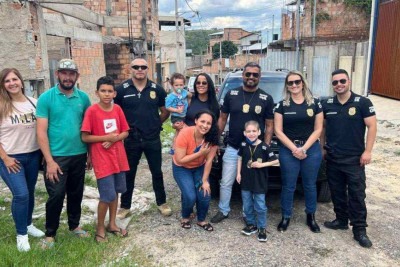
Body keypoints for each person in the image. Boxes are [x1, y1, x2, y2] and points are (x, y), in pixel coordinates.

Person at [36, 58, 91, 249]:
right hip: (56, 156)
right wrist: (49, 161)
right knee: (56, 195)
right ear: (57, 74)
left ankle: (74, 225)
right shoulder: (46, 98)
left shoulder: (83, 98)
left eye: (71, 74)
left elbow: (88, 128)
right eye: (64, 73)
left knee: (76, 192)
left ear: (76, 76)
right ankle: (50, 233)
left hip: (79, 154)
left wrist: (90, 153)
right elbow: (41, 131)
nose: (68, 77)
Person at [211, 62, 275, 223]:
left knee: (250, 185)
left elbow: (269, 125)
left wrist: (265, 147)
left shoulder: (266, 98)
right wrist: (215, 142)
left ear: (259, 77)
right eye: (248, 74)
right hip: (233, 147)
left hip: (254, 150)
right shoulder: (231, 94)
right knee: (226, 182)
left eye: (255, 74)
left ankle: (248, 215)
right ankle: (223, 210)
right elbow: (222, 119)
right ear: (243, 76)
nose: (251, 77)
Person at [321, 69, 377, 248]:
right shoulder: (327, 104)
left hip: (354, 158)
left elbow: (372, 126)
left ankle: (360, 230)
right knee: (337, 192)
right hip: (333, 157)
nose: (339, 85)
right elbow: (322, 127)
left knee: (357, 195)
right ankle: (341, 220)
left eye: (342, 81)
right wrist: (322, 146)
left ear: (349, 81)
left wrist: (367, 152)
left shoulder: (362, 102)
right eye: (335, 82)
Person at [114, 57, 172, 218]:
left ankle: (162, 203)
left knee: (157, 172)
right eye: (136, 67)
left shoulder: (157, 89)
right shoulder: (121, 90)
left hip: (152, 138)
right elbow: (115, 113)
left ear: (148, 69)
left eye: (143, 67)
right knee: (129, 173)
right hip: (131, 139)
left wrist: (155, 123)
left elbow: (165, 111)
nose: (140, 69)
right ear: (130, 69)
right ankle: (125, 206)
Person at [0, 68, 45, 252]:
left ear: (21, 80)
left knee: (30, 192)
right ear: (3, 85)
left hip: (33, 155)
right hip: (11, 158)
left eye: (15, 79)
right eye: (7, 80)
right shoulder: (2, 105)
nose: (12, 83)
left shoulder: (33, 103)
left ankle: (28, 224)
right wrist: (6, 158)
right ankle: (21, 235)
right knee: (21, 194)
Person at [81, 76, 130, 243]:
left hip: (119, 158)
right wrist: (105, 137)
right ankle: (100, 227)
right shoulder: (92, 111)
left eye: (110, 91)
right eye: (103, 91)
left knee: (116, 191)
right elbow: (85, 137)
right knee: (106, 195)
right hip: (102, 160)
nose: (107, 94)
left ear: (115, 93)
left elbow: (125, 132)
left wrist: (114, 139)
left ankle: (112, 224)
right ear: (97, 92)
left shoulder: (117, 109)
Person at [274, 71, 323, 233]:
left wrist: (304, 148)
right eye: (290, 83)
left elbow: (318, 130)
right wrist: (295, 149)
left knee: (310, 185)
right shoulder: (281, 106)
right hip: (289, 150)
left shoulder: (315, 104)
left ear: (303, 83)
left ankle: (311, 216)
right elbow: (278, 131)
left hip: (311, 149)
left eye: (297, 82)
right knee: (288, 186)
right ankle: (286, 216)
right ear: (287, 86)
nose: (294, 85)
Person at [173, 110, 218, 231]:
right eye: (202, 121)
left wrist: (204, 180)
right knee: (190, 196)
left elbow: (208, 161)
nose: (205, 125)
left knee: (205, 194)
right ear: (196, 121)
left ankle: (201, 220)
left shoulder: (212, 137)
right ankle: (185, 217)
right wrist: (200, 153)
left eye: (208, 123)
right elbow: (180, 159)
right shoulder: (184, 133)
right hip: (181, 168)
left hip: (200, 167)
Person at [236, 121, 278, 242]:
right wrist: (238, 173)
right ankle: (251, 225)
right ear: (244, 133)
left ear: (259, 132)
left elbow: (275, 161)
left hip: (259, 182)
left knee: (260, 205)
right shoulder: (243, 145)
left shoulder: (264, 146)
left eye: (254, 131)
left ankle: (262, 228)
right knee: (247, 204)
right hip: (246, 181)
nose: (251, 133)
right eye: (248, 131)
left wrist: (261, 165)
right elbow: (239, 158)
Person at [165, 73, 189, 154]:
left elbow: (190, 95)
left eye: (181, 85)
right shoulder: (170, 96)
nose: (179, 87)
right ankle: (180, 148)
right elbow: (167, 107)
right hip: (176, 116)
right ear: (172, 85)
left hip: (184, 115)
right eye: (176, 85)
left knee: (178, 133)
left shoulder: (184, 92)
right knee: (184, 130)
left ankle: (173, 148)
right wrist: (176, 110)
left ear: (184, 85)